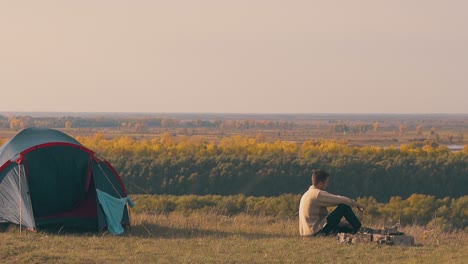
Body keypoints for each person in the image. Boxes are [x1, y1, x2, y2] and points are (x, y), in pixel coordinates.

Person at [299, 169, 366, 237]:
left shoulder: (306, 194)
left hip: (307, 233)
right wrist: (357, 204)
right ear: (320, 183)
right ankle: (361, 230)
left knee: (344, 227)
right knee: (344, 207)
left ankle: (357, 232)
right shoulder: (317, 194)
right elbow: (341, 200)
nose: (327, 184)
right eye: (326, 182)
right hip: (316, 232)